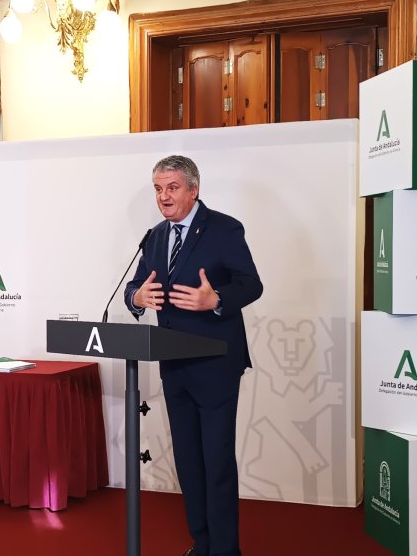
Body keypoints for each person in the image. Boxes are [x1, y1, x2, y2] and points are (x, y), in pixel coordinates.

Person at [124, 155, 263, 556]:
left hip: (216, 364)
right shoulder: (154, 236)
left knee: (216, 462)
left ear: (193, 189)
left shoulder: (223, 228)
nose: (163, 197)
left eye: (171, 188)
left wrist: (215, 299)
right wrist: (137, 296)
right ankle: (201, 543)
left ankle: (224, 550)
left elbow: (251, 284)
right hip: (175, 365)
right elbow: (138, 283)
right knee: (188, 461)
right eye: (157, 189)